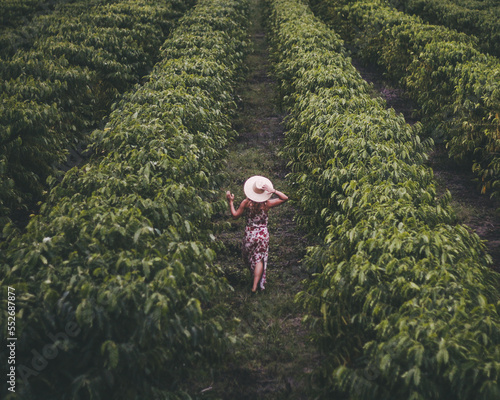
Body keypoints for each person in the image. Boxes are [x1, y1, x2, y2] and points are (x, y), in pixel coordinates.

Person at [226, 175, 288, 293]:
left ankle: (254, 278)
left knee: (249, 257)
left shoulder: (246, 203)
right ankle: (255, 286)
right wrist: (274, 191)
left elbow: (235, 215)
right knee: (259, 259)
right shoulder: (267, 204)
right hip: (263, 234)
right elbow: (285, 198)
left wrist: (231, 202)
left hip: (250, 234)